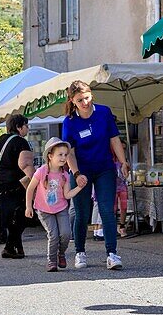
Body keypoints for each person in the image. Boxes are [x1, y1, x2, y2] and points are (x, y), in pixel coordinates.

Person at [62, 80, 130, 270]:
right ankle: (80, 252)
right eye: (80, 100)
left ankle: (112, 254)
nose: (85, 103)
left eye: (87, 97)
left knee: (107, 210)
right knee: (82, 213)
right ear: (72, 101)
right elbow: (70, 151)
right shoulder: (69, 122)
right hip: (80, 170)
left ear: (91, 95)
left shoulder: (104, 112)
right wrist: (76, 173)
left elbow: (114, 139)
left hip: (104, 168)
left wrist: (123, 162)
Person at [25, 138, 88, 271]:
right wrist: (28, 207)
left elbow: (67, 195)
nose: (64, 157)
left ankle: (61, 253)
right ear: (50, 156)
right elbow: (30, 189)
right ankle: (51, 261)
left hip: (61, 208)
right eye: (60, 154)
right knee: (53, 235)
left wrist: (79, 188)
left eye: (66, 155)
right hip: (44, 209)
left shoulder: (65, 175)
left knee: (65, 234)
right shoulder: (41, 171)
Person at [0, 114, 35, 259]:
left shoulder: (1, 140)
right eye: (26, 125)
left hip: (0, 185)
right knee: (24, 215)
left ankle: (18, 248)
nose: (27, 129)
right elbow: (25, 164)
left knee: (10, 218)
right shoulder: (21, 142)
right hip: (16, 184)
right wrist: (37, 180)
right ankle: (10, 247)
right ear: (18, 127)